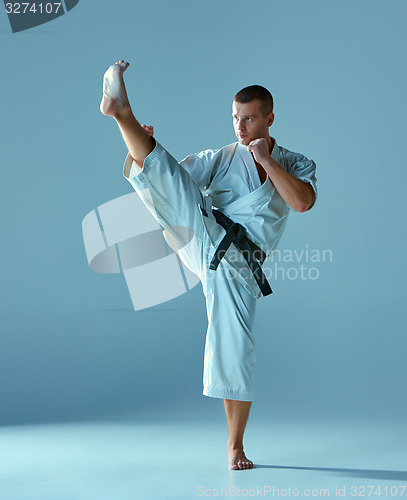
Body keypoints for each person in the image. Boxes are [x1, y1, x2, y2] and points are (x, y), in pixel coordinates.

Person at [100, 60, 318, 470]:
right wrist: (148, 147)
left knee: (236, 347)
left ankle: (235, 446)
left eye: (250, 119)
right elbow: (173, 182)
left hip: (240, 269)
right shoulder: (221, 157)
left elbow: (302, 202)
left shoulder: (294, 162)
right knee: (167, 179)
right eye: (236, 118)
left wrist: (266, 161)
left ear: (269, 118)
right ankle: (121, 113)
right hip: (204, 238)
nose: (240, 126)